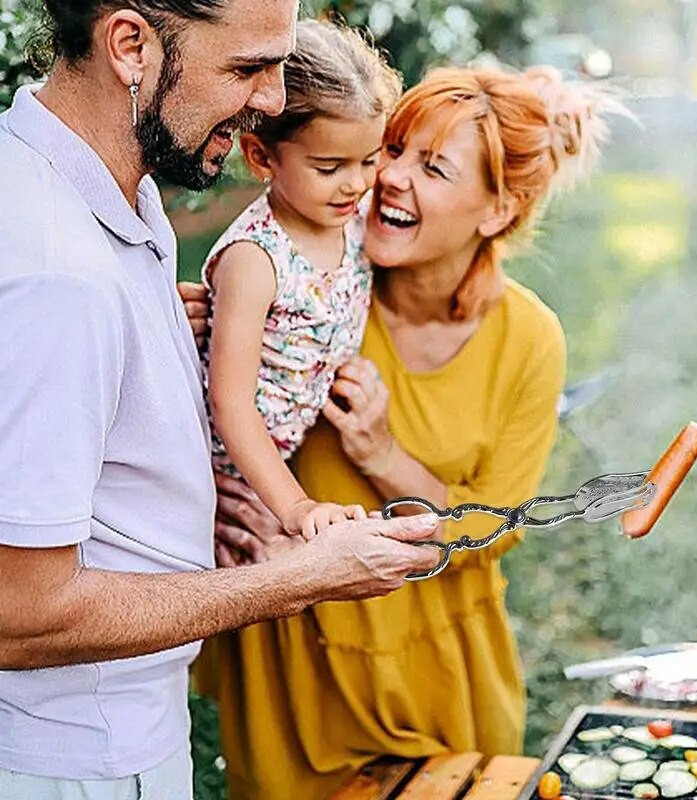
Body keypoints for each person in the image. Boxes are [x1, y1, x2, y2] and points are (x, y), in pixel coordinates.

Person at [0, 2, 439, 797]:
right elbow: (18, 614)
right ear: (130, 46)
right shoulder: (59, 278)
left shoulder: (97, 194)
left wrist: (153, 325)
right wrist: (300, 577)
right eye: (247, 69)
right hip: (78, 759)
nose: (274, 102)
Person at [189, 64, 623, 798]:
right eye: (391, 149)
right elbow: (227, 387)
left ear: (495, 211)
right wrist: (189, 324)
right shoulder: (316, 279)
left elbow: (497, 527)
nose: (387, 178)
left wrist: (380, 454)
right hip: (294, 666)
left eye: (433, 168)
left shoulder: (528, 340)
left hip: (434, 672)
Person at [201, 19, 402, 543]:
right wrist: (294, 503)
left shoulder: (354, 226)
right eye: (329, 166)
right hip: (216, 468)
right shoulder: (256, 258)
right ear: (262, 156)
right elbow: (230, 401)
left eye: (369, 160)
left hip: (273, 459)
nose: (356, 183)